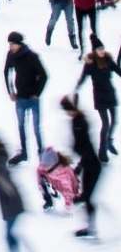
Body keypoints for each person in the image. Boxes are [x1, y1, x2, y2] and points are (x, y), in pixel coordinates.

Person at [62, 93, 105, 239]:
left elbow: (84, 146)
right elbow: (84, 147)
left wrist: (78, 163)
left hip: (92, 166)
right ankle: (90, 226)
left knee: (87, 197)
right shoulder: (78, 120)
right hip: (89, 165)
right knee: (86, 197)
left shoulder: (78, 122)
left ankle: (91, 227)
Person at [3, 32, 48, 165]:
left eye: (13, 44)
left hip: (32, 98)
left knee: (36, 127)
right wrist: (10, 90)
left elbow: (44, 75)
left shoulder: (32, 56)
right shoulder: (11, 55)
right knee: (21, 126)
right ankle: (24, 153)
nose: (11, 47)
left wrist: (37, 93)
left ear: (19, 44)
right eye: (9, 44)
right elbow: (6, 71)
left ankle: (41, 152)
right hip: (20, 98)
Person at [76, 35, 118, 159]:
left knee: (114, 121)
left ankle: (109, 141)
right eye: (99, 49)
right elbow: (83, 77)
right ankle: (102, 150)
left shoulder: (108, 59)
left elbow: (117, 69)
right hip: (100, 97)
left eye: (103, 49)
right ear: (95, 51)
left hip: (110, 93)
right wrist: (77, 88)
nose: (102, 51)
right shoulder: (90, 64)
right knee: (105, 123)